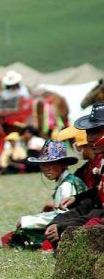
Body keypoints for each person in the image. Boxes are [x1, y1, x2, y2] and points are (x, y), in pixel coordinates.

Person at [0, 139, 86, 249]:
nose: (47, 169)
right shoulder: (66, 182)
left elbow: (63, 217)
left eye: (52, 164)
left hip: (71, 227)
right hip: (70, 224)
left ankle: (0, 243)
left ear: (63, 164)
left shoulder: (66, 185)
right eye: (44, 165)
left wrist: (29, 221)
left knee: (27, 230)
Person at [44, 102, 104, 244]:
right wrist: (76, 199)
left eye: (96, 131)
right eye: (88, 132)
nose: (90, 138)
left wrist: (65, 227)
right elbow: (95, 198)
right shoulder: (93, 166)